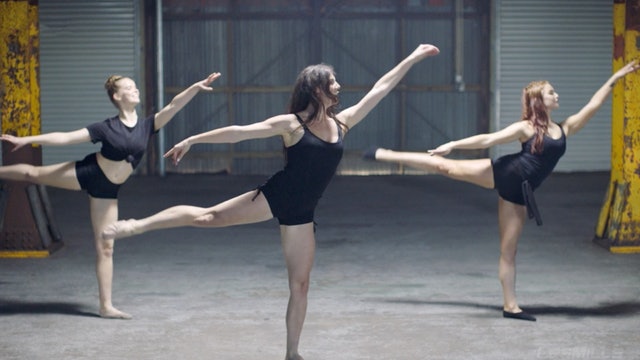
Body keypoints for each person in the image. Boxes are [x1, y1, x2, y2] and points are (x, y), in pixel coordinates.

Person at [102, 44, 440, 360]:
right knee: (207, 218)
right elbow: (239, 131)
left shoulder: (342, 123)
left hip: (303, 213)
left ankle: (292, 353)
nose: (338, 86)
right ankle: (137, 225)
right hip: (275, 197)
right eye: (332, 81)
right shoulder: (292, 124)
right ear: (317, 89)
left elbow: (380, 89)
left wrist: (412, 58)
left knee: (301, 284)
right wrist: (193, 138)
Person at [364, 60, 639, 321]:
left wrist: (616, 77)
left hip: (519, 193)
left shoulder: (565, 128)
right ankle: (386, 154)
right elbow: (489, 138)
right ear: (538, 100)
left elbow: (594, 104)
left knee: (509, 251)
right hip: (503, 171)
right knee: (444, 167)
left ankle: (511, 306)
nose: (557, 95)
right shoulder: (526, 127)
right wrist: (454, 144)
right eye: (551, 92)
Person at [0, 72, 221, 319]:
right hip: (88, 172)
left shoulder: (148, 125)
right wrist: (25, 140)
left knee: (106, 246)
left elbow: (174, 105)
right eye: (129, 87)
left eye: (135, 86)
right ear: (117, 96)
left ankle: (106, 307)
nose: (135, 89)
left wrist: (195, 87)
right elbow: (66, 137)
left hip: (108, 190)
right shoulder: (105, 128)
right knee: (32, 174)